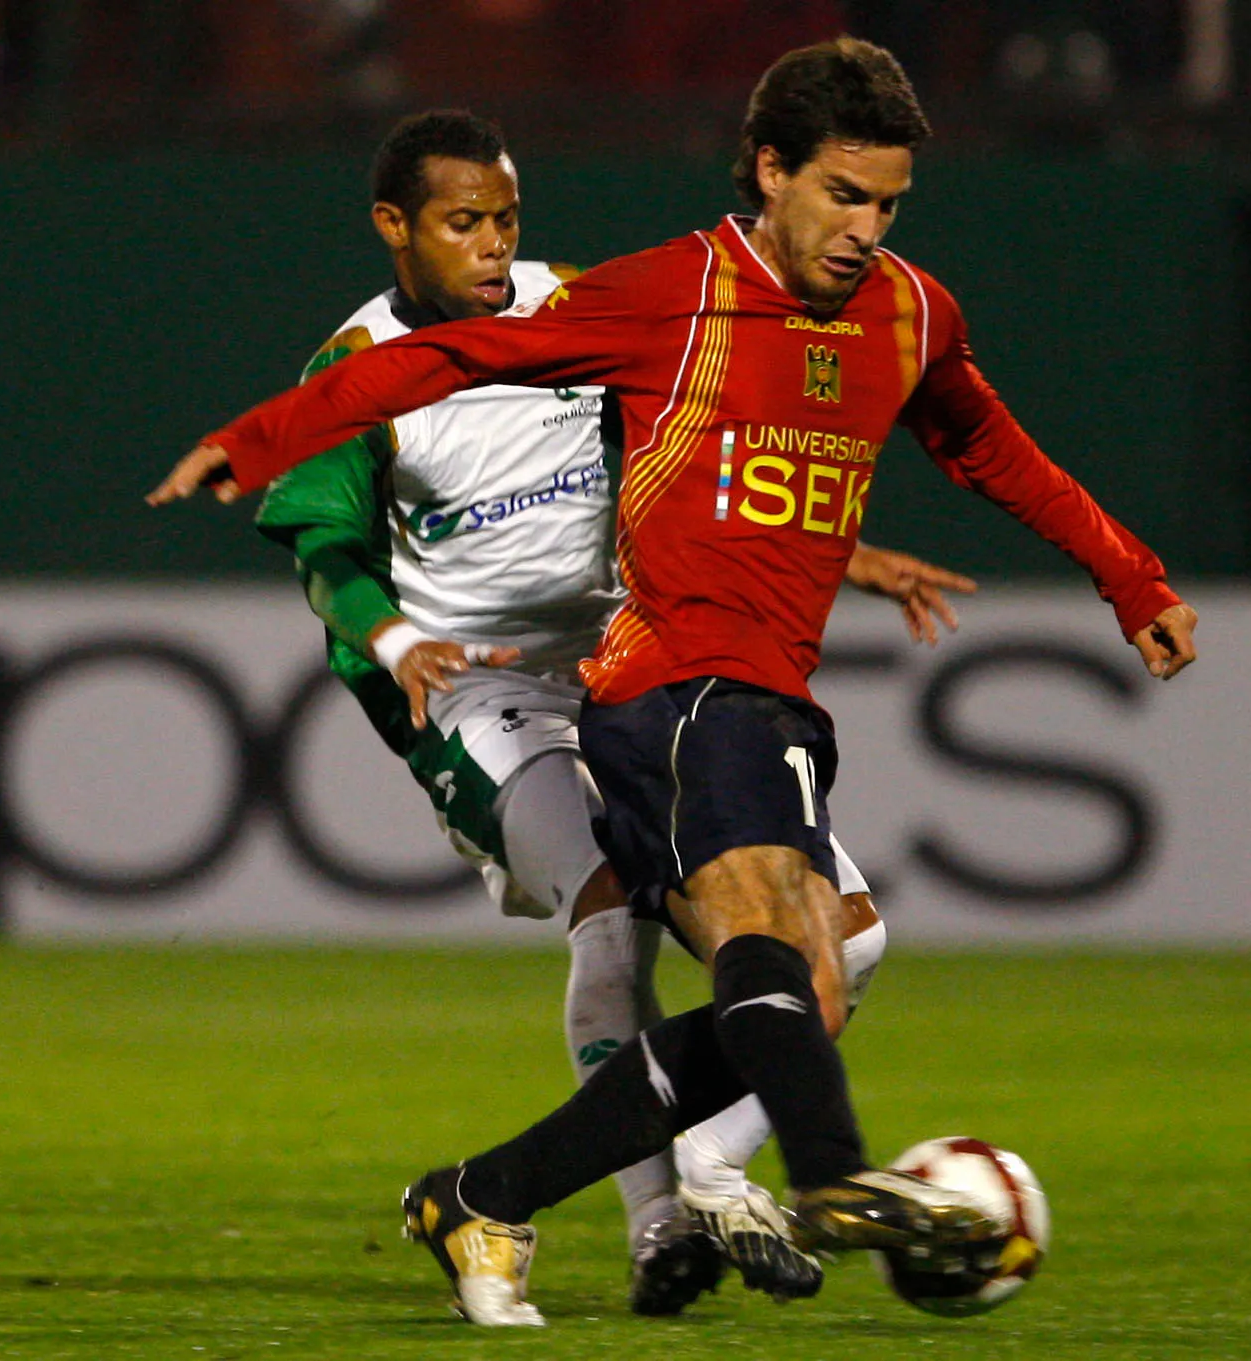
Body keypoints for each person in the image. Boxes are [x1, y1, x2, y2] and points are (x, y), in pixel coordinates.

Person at [150, 38, 1197, 1327]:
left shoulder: (907, 311)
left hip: (737, 678)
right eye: (843, 196)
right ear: (769, 170)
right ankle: (777, 1188)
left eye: (888, 204)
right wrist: (262, 440)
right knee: (656, 917)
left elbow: (985, 449)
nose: (866, 230)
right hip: (610, 681)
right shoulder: (667, 294)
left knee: (824, 966)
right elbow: (438, 376)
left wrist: (1129, 578)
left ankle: (503, 1189)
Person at [252, 107, 968, 1315]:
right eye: (461, 222)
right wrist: (394, 637)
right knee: (611, 911)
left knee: (845, 941)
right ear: (393, 227)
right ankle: (659, 1224)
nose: (492, 243)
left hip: (635, 661)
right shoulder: (356, 369)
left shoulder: (578, 305)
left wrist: (843, 553)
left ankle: (711, 1168)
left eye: (505, 218)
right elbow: (324, 550)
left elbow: (702, 448)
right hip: (479, 690)